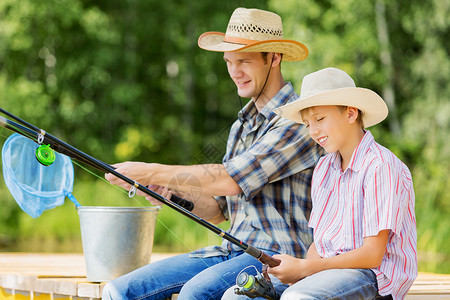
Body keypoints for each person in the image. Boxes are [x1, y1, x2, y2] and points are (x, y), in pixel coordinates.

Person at [101, 7, 323, 300]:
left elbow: (231, 179)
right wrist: (169, 192)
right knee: (119, 290)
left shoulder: (297, 122)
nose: (234, 72)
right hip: (230, 250)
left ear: (274, 58)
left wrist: (149, 170)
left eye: (244, 61)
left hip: (276, 258)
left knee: (197, 293)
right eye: (229, 61)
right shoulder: (240, 128)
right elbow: (219, 210)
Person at [236, 67, 416, 300]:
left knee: (297, 297)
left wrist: (303, 269)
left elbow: (372, 255)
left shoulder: (381, 166)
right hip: (329, 272)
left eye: (320, 119)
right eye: (307, 123)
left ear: (351, 114)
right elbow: (320, 244)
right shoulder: (323, 168)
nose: (313, 131)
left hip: (373, 277)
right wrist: (296, 271)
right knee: (237, 296)